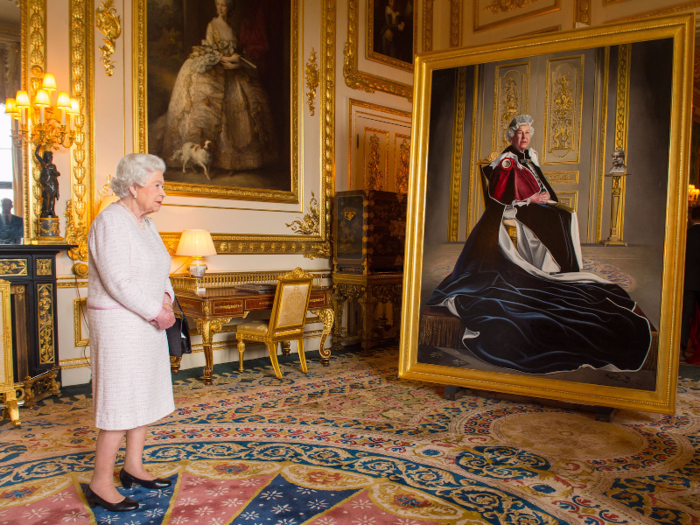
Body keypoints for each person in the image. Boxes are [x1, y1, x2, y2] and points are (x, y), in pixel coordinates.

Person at [427, 114, 652, 374]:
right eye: (519, 133)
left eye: (527, 133)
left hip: (529, 206)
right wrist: (531, 199)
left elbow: (540, 184)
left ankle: (561, 266)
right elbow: (499, 194)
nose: (524, 138)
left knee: (564, 214)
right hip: (509, 212)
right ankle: (552, 265)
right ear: (510, 135)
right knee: (557, 219)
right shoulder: (508, 160)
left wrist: (543, 195)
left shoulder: (528, 157)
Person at [85, 153, 176, 512]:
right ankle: (100, 482)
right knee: (120, 402)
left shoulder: (146, 224)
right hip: (121, 325)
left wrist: (166, 298)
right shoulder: (110, 222)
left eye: (162, 185)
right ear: (133, 186)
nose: (162, 193)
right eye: (157, 185)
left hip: (147, 322)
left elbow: (161, 267)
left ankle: (133, 466)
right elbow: (117, 281)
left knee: (142, 397)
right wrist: (157, 311)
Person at [153, 0, 277, 175]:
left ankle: (234, 161)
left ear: (230, 7)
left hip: (233, 74)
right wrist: (221, 59)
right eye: (218, 4)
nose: (220, 8)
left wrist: (235, 60)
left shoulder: (233, 30)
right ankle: (205, 159)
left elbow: (237, 50)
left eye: (224, 5)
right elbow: (210, 48)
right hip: (216, 69)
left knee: (241, 112)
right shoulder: (212, 25)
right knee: (210, 109)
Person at [681, 206, 700, 361]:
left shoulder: (684, 236)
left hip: (687, 282)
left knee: (684, 317)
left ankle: (680, 349)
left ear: (691, 218)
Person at [35, 147, 60, 218]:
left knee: (52, 198)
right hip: (47, 184)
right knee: (46, 198)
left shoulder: (53, 166)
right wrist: (39, 146)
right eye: (48, 156)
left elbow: (57, 174)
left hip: (53, 184)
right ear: (45, 157)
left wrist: (55, 172)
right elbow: (37, 155)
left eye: (50, 156)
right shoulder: (44, 164)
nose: (49, 158)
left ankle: (51, 211)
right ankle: (46, 211)